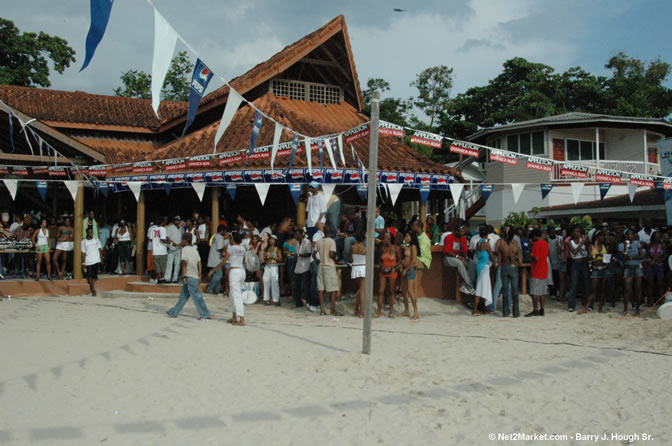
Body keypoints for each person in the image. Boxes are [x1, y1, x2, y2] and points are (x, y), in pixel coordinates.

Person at [166, 233, 211, 320]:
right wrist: (199, 275)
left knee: (197, 296)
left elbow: (184, 263)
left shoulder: (185, 249)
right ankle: (174, 312)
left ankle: (204, 314)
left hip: (189, 276)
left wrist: (183, 276)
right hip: (194, 276)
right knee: (183, 296)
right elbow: (199, 263)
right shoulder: (194, 250)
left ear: (185, 241)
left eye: (182, 240)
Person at [209, 232, 246, 325]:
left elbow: (224, 261)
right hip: (241, 271)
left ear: (232, 239)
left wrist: (213, 270)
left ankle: (242, 318)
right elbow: (244, 260)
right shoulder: (242, 248)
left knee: (236, 295)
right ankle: (234, 316)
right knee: (233, 294)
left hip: (234, 272)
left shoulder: (231, 248)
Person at [313, 226, 340, 316]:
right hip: (329, 266)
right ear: (331, 233)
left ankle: (322, 310)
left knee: (321, 289)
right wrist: (336, 257)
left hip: (321, 266)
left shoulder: (319, 241)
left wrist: (318, 262)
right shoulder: (332, 241)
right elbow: (331, 254)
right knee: (333, 289)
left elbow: (314, 254)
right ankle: (332, 309)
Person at [442, 224, 475, 295]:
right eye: (461, 231)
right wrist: (458, 257)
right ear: (456, 231)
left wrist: (465, 258)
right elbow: (447, 251)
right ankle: (470, 287)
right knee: (459, 263)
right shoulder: (448, 237)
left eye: (463, 231)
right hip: (449, 258)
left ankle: (464, 286)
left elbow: (465, 250)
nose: (463, 233)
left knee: (472, 264)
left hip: (459, 257)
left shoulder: (463, 238)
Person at [497, 227, 522, 317]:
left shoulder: (501, 246)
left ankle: (505, 311)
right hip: (513, 267)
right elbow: (520, 261)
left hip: (504, 267)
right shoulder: (516, 246)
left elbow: (499, 261)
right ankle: (516, 312)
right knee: (515, 290)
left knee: (505, 290)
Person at [580, 231, 607, 314]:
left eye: (603, 236)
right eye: (601, 236)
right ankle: (587, 307)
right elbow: (589, 257)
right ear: (597, 237)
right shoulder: (591, 246)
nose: (602, 238)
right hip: (595, 268)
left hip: (604, 268)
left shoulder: (604, 246)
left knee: (602, 289)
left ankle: (600, 307)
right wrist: (597, 256)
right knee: (593, 290)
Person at [376, 230, 401, 318]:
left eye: (386, 238)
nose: (384, 239)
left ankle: (390, 312)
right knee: (380, 291)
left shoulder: (396, 248)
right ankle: (378, 311)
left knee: (391, 291)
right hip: (383, 270)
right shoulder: (382, 249)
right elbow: (379, 260)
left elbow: (399, 260)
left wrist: (392, 266)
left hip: (392, 270)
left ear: (390, 239)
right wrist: (382, 265)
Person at [621, 227, 644, 316]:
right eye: (628, 234)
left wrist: (631, 257)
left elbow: (641, 255)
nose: (630, 235)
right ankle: (625, 309)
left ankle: (637, 309)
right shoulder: (625, 244)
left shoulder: (637, 243)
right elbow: (623, 257)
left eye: (631, 234)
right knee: (627, 288)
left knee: (638, 288)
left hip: (637, 266)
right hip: (628, 266)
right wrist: (626, 248)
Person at [566, 225, 590, 312]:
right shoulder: (570, 242)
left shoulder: (584, 240)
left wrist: (588, 257)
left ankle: (587, 304)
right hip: (575, 263)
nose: (578, 233)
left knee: (586, 284)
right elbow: (574, 252)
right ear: (572, 233)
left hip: (584, 262)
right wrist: (581, 244)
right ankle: (571, 305)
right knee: (574, 285)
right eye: (576, 231)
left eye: (579, 231)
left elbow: (589, 249)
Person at [527, 229, 549, 317]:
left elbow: (535, 258)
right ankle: (542, 309)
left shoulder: (536, 244)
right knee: (542, 292)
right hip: (544, 269)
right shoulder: (546, 243)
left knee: (535, 292)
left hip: (536, 270)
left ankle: (535, 309)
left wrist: (530, 255)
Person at [473, 226, 494, 316]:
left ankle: (476, 308)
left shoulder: (478, 243)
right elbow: (492, 256)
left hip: (479, 265)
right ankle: (485, 308)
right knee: (485, 288)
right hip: (485, 267)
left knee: (480, 287)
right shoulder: (486, 244)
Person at [295, 229, 317, 312]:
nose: (296, 236)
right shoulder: (297, 243)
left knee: (306, 286)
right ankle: (298, 302)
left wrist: (298, 254)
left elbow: (308, 253)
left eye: (297, 234)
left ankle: (308, 302)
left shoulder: (307, 242)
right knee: (296, 285)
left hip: (306, 266)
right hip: (298, 266)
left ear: (301, 234)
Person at [400, 230, 420, 320]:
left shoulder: (413, 247)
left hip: (410, 270)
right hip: (405, 269)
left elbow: (413, 261)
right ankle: (407, 310)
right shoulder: (407, 247)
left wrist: (406, 269)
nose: (405, 238)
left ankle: (416, 312)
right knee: (404, 290)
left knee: (410, 291)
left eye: (407, 236)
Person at [206, 225, 228, 295]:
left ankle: (217, 289)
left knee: (216, 274)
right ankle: (210, 288)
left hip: (212, 257)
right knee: (219, 274)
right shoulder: (220, 237)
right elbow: (219, 248)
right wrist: (224, 253)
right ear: (222, 231)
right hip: (216, 259)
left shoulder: (215, 236)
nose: (225, 232)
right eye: (225, 231)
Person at [646, 230, 665, 306]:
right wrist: (650, 260)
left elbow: (665, 255)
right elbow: (647, 254)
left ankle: (661, 300)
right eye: (656, 235)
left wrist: (659, 260)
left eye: (659, 235)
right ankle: (650, 301)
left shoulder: (662, 245)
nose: (658, 237)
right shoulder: (649, 245)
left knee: (660, 283)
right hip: (651, 265)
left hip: (659, 265)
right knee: (650, 283)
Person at [81, 227, 102, 296]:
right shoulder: (83, 242)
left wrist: (101, 259)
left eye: (92, 232)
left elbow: (99, 249)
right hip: (88, 261)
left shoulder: (96, 240)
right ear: (87, 233)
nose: (91, 234)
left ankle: (95, 281)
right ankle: (93, 290)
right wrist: (83, 263)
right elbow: (83, 253)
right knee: (89, 276)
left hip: (96, 260)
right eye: (90, 232)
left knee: (96, 274)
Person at [350, 232, 366, 318]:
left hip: (355, 268)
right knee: (362, 291)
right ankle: (361, 312)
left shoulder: (353, 247)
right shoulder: (365, 248)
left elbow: (350, 258)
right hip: (363, 268)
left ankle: (356, 308)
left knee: (360, 290)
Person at [263, 235, 283, 306]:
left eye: (272, 239)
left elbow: (280, 259)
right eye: (270, 239)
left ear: (275, 241)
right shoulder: (267, 249)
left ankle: (276, 299)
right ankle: (267, 299)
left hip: (274, 266)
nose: (271, 240)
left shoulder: (277, 249)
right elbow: (264, 258)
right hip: (267, 266)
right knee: (266, 281)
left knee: (274, 282)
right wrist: (266, 257)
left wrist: (273, 257)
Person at [283, 230, 302, 308]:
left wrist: (290, 253)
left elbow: (285, 252)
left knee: (293, 280)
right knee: (298, 279)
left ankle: (295, 298)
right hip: (298, 260)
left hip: (290, 260)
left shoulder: (286, 243)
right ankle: (298, 298)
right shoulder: (298, 242)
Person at [549, 227, 568, 301]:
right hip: (557, 261)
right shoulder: (560, 241)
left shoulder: (562, 240)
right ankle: (558, 294)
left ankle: (561, 295)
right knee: (558, 279)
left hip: (562, 262)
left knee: (562, 280)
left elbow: (562, 253)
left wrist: (559, 248)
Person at [165, 216, 183, 283]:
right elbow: (166, 237)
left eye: (178, 220)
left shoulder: (181, 229)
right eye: (175, 220)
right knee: (169, 264)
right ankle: (167, 278)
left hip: (179, 249)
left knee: (177, 264)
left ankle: (175, 278)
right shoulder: (170, 228)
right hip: (171, 248)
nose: (177, 221)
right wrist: (172, 243)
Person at [150, 218, 169, 283]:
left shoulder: (152, 229)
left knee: (157, 266)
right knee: (163, 265)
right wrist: (171, 242)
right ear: (162, 222)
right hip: (162, 250)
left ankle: (159, 278)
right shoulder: (163, 229)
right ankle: (162, 278)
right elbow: (162, 239)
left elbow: (150, 239)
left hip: (155, 250)